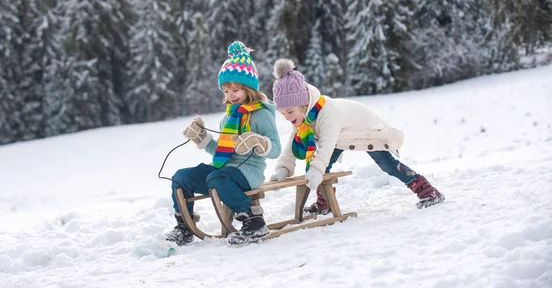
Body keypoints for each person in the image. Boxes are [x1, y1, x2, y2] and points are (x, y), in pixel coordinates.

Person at [268, 59, 444, 213]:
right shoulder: (303, 118)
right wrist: (283, 168)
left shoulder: (326, 112)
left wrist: (315, 170)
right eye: (283, 113)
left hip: (366, 129)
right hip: (342, 134)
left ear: (303, 104)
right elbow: (292, 143)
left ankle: (428, 191)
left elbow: (327, 145)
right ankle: (325, 204)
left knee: (387, 164)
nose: (287, 117)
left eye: (290, 111)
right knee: (324, 165)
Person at [165, 41, 282, 246]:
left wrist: (258, 141)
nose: (230, 95)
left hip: (249, 173)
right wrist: (201, 138)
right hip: (223, 171)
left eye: (235, 89)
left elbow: (275, 149)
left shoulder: (261, 114)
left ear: (248, 88)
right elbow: (222, 151)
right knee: (182, 177)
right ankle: (184, 225)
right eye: (226, 91)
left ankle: (254, 221)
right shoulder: (228, 117)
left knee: (216, 177)